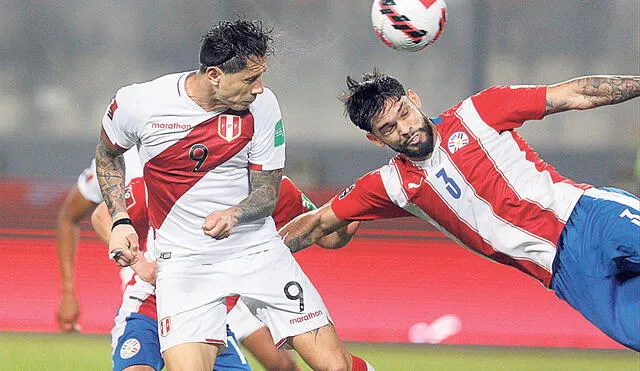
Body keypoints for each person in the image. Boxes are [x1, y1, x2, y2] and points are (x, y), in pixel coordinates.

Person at [280, 70, 640, 351]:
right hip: (565, 273)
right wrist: (252, 256)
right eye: (388, 128)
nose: (405, 128)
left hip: (590, 217)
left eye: (404, 112)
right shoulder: (391, 185)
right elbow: (318, 223)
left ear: (414, 99)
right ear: (375, 139)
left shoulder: (480, 111)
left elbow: (573, 94)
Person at [94, 19, 373, 371]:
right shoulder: (139, 103)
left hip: (257, 252)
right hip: (184, 264)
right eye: (249, 79)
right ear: (214, 75)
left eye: (261, 77)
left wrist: (235, 214)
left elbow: (267, 194)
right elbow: (107, 156)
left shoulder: (263, 106)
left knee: (335, 367)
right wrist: (120, 220)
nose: (259, 89)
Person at [91, 175, 358, 371]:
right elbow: (103, 214)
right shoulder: (172, 173)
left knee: (298, 365)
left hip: (213, 316)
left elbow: (329, 236)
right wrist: (140, 263)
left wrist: (354, 208)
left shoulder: (273, 188)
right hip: (150, 309)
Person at [56, 150, 142, 333]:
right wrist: (68, 292)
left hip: (199, 285)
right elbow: (68, 218)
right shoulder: (118, 159)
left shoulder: (201, 152)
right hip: (142, 289)